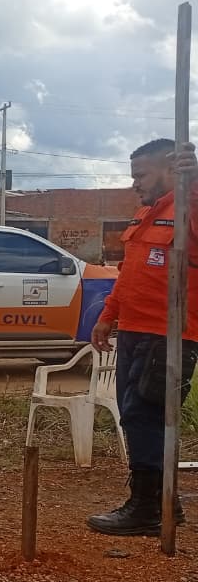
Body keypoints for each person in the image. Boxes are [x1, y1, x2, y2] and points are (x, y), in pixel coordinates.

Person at [88, 139, 198, 536]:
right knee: (133, 415)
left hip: (169, 333)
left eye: (141, 175)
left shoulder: (189, 207)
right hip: (134, 331)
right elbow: (129, 275)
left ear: (170, 170)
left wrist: (194, 179)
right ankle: (160, 503)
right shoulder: (145, 215)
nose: (134, 183)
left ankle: (149, 508)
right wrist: (107, 317)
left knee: (148, 416)